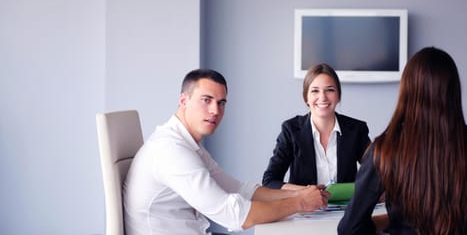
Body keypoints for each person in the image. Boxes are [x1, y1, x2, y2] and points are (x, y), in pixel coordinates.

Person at [337, 47, 467, 235]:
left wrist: (387, 223)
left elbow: (349, 229)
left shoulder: (385, 149)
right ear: (453, 92)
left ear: (406, 92)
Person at [123, 69, 329, 235]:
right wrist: (300, 203)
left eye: (221, 103)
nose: (215, 110)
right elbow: (236, 216)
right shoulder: (172, 151)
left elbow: (238, 189)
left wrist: (297, 193)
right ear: (184, 101)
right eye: (206, 100)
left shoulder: (187, 145)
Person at [262, 63, 371, 190]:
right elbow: (270, 181)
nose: (322, 97)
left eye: (330, 90)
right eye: (315, 91)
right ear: (306, 98)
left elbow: (377, 172)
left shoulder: (356, 130)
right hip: (304, 208)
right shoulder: (291, 130)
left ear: (338, 96)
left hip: (348, 208)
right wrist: (305, 192)